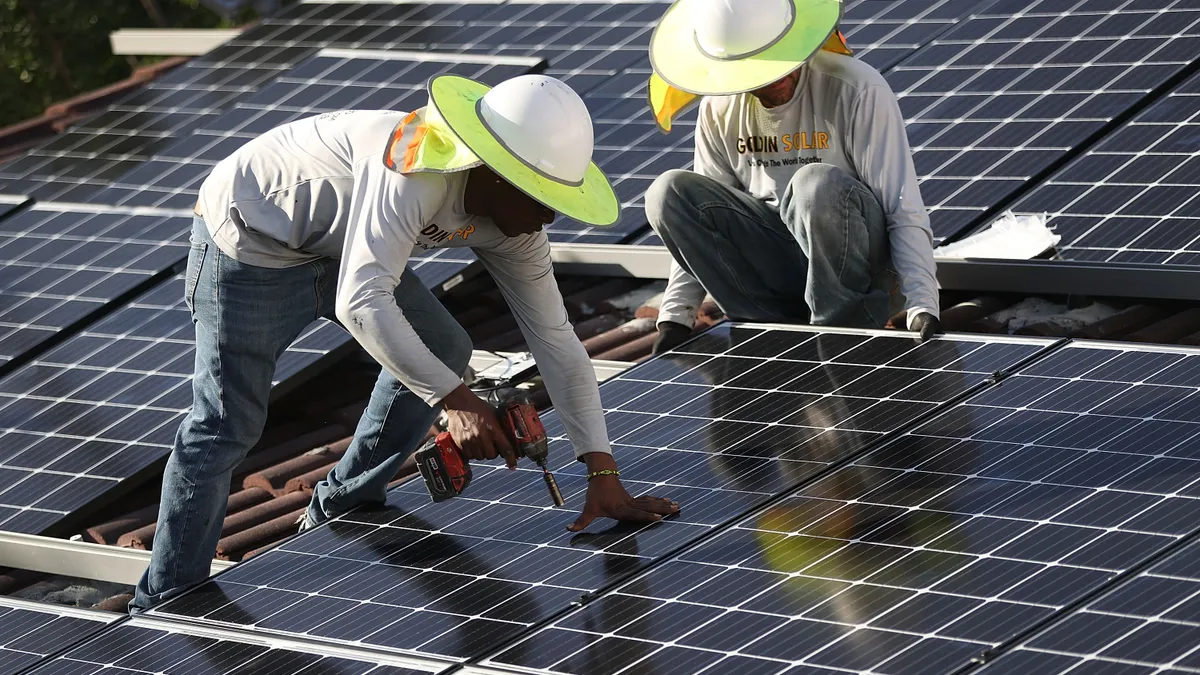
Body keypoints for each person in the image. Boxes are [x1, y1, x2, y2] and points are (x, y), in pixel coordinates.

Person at [130, 74, 680, 612]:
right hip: (253, 241)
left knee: (445, 347)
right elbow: (362, 301)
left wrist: (602, 472)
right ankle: (166, 598)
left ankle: (343, 502)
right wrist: (455, 402)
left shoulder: (520, 226)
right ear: (491, 171)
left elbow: (557, 341)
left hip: (344, 244)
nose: (549, 214)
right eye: (540, 195)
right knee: (228, 423)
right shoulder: (415, 169)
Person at [642, 0, 942, 355]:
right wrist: (675, 316)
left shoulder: (856, 89)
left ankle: (840, 331)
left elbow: (901, 205)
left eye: (782, 63)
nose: (777, 81)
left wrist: (923, 302)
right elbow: (702, 223)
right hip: (779, 261)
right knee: (667, 192)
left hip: (858, 264)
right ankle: (766, 331)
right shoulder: (719, 108)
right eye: (761, 75)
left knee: (814, 185)